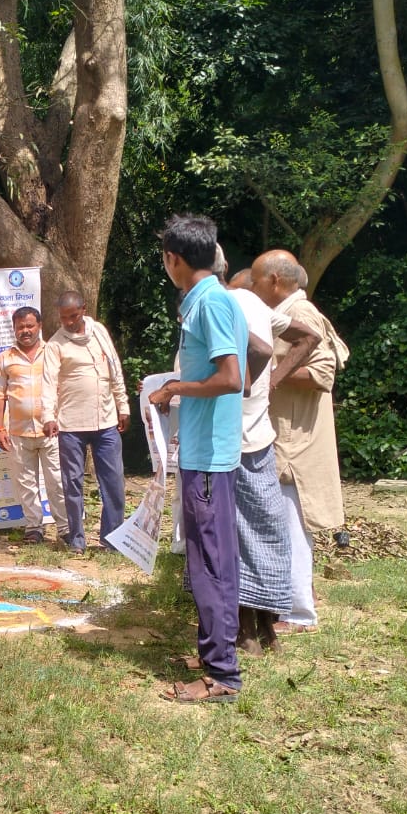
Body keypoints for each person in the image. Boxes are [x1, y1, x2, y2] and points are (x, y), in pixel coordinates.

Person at [149, 215, 248, 703]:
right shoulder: (214, 300)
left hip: (209, 458)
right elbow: (252, 359)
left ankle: (222, 674)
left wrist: (175, 389)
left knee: (209, 562)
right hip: (208, 451)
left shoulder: (210, 303)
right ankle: (216, 651)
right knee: (213, 557)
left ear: (174, 259)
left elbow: (231, 378)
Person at [221, 253, 320, 654]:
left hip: (235, 442)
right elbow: (307, 338)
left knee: (237, 534)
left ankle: (248, 630)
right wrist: (271, 382)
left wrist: (246, 383)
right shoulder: (262, 307)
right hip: (262, 439)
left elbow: (261, 350)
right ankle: (265, 628)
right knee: (266, 531)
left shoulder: (230, 303)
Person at [250, 250, 346, 632]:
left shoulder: (301, 314)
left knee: (291, 524)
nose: (252, 288)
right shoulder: (285, 312)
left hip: (295, 440)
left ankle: (298, 613)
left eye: (256, 280)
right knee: (282, 523)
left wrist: (268, 372)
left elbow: (323, 372)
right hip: (284, 433)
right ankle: (293, 599)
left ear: (274, 281)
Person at [41, 291, 129, 554]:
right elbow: (48, 384)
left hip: (106, 421)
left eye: (73, 316)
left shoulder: (99, 331)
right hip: (71, 425)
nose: (68, 322)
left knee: (113, 482)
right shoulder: (55, 345)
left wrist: (123, 405)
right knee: (72, 484)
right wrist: (48, 417)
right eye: (63, 318)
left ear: (84, 310)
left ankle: (112, 540)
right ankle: (77, 540)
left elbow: (114, 368)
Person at [0, 306, 68, 544]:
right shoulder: (5, 358)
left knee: (57, 481)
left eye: (30, 326)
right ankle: (34, 528)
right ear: (14, 329)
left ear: (39, 326)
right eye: (20, 327)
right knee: (25, 483)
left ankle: (65, 528)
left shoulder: (53, 352)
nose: (25, 331)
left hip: (52, 431)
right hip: (19, 431)